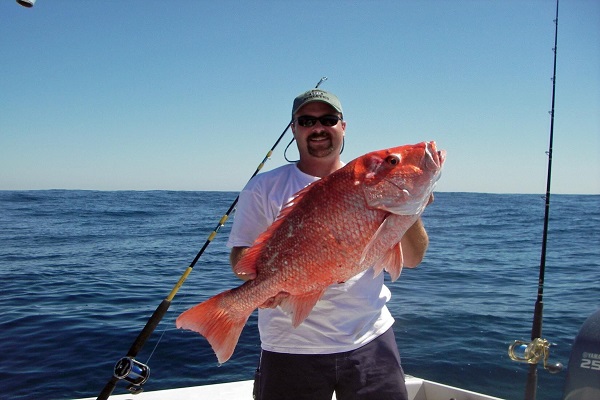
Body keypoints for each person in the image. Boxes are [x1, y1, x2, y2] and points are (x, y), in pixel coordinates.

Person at [226, 88, 430, 400]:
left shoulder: (372, 184)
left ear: (342, 126)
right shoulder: (263, 188)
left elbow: (413, 259)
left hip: (370, 339)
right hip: (290, 345)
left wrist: (407, 209)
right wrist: (264, 284)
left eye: (328, 119)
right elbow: (241, 259)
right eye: (307, 121)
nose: (318, 128)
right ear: (293, 129)